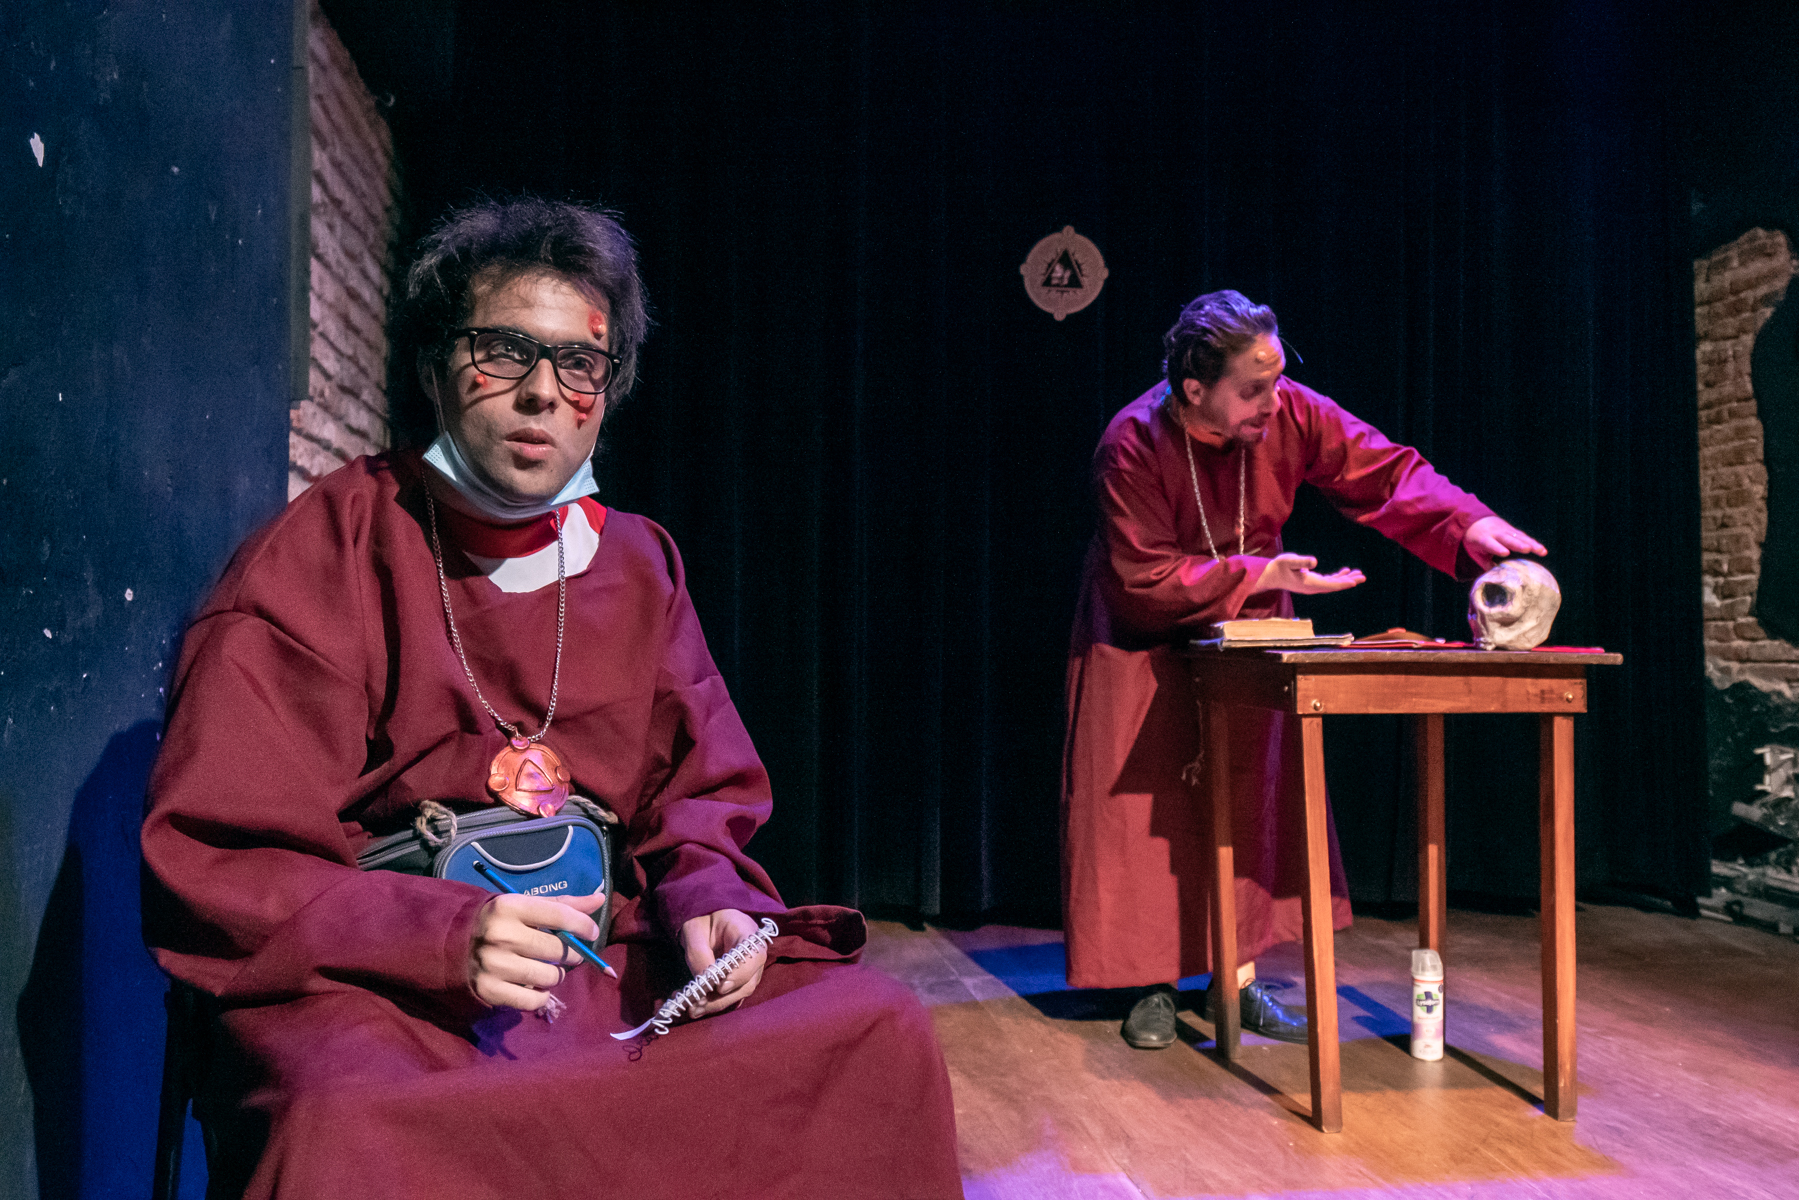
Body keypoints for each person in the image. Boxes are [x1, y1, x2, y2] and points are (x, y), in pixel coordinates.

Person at [141, 197, 963, 1198]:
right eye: (502, 352)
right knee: (343, 1122)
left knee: (875, 1031)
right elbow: (223, 857)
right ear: (434, 366)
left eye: (580, 364)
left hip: (600, 961)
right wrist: (440, 937)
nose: (542, 392)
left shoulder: (638, 564)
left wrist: (712, 901)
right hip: (390, 986)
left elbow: (694, 801)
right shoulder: (322, 552)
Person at [1061, 290, 1543, 1050]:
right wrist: (1256, 572)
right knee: (1146, 812)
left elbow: (1382, 471)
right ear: (1195, 389)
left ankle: (1236, 975)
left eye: (1278, 379)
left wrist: (1467, 522)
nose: (1272, 400)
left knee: (1247, 795)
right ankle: (1150, 981)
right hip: (1140, 635)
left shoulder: (1287, 411)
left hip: (1252, 626)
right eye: (1253, 388)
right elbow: (1139, 575)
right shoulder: (1132, 441)